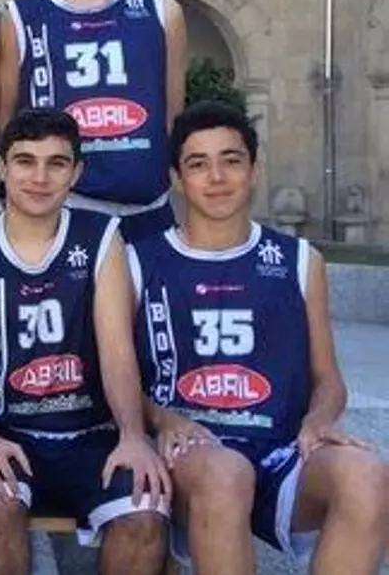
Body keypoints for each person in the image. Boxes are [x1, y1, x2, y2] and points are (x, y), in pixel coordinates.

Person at [133, 101, 388, 574]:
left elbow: (328, 379)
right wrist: (161, 418)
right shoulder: (136, 261)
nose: (217, 177)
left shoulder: (299, 260)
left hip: (280, 451)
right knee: (226, 473)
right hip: (191, 453)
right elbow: (114, 376)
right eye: (198, 164)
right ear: (176, 179)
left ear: (254, 170)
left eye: (231, 160)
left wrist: (319, 419)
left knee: (369, 476)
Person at [0, 109, 170, 575]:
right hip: (5, 430)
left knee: (145, 512)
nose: (39, 177)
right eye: (25, 161)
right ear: (2, 167)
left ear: (76, 172)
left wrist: (133, 435)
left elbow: (117, 352)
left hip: (91, 434)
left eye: (56, 163)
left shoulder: (102, 237)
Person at [0, 0, 186, 241]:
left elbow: (172, 122)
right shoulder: (22, 16)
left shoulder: (163, 12)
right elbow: (6, 126)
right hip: (63, 215)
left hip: (148, 214)